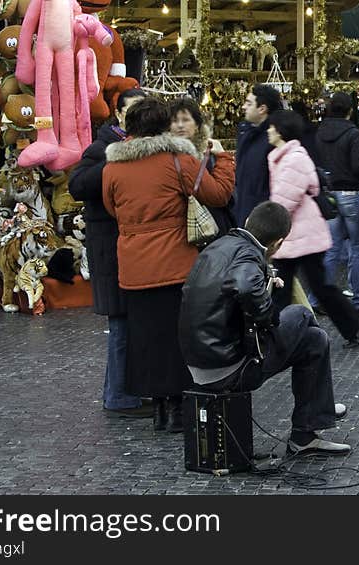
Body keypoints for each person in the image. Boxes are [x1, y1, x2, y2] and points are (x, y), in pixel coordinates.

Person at [102, 98, 235, 433]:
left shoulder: (112, 167)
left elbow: (111, 207)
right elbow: (217, 194)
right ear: (163, 126)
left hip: (134, 265)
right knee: (177, 339)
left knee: (145, 339)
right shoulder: (177, 159)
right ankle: (177, 409)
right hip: (175, 263)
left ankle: (158, 408)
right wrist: (225, 160)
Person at [179, 201, 350, 456]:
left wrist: (265, 281)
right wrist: (267, 314)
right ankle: (314, 416)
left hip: (201, 362)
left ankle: (311, 423)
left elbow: (230, 290)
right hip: (230, 369)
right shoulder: (248, 255)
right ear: (279, 243)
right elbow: (245, 286)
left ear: (248, 220)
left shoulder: (221, 245)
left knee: (315, 339)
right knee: (302, 315)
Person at [68, 88, 149, 419]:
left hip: (127, 246)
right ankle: (118, 396)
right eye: (131, 110)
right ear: (118, 114)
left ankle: (121, 393)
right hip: (109, 249)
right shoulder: (101, 147)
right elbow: (77, 185)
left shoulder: (141, 149)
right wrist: (115, 165)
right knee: (120, 324)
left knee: (128, 325)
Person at [266, 110, 359, 348]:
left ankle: (274, 337)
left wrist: (270, 225)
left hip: (299, 235)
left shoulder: (292, 158)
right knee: (305, 287)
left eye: (272, 127)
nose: (268, 130)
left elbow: (284, 200)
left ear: (281, 130)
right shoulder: (286, 156)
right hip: (298, 235)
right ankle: (353, 326)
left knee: (298, 288)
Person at [313, 92, 359, 313]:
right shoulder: (353, 133)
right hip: (352, 194)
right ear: (350, 110)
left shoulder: (319, 133)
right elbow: (358, 166)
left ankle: (317, 299)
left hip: (330, 194)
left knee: (331, 249)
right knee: (358, 247)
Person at [169, 97, 235, 236]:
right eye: (175, 121)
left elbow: (222, 194)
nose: (180, 125)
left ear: (197, 125)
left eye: (186, 120)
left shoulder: (209, 153)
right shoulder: (165, 155)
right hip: (177, 229)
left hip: (210, 226)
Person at [231, 84, 282, 227]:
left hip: (262, 215)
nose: (243, 107)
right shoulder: (244, 132)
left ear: (262, 109)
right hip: (242, 209)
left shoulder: (274, 139)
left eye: (249, 103)